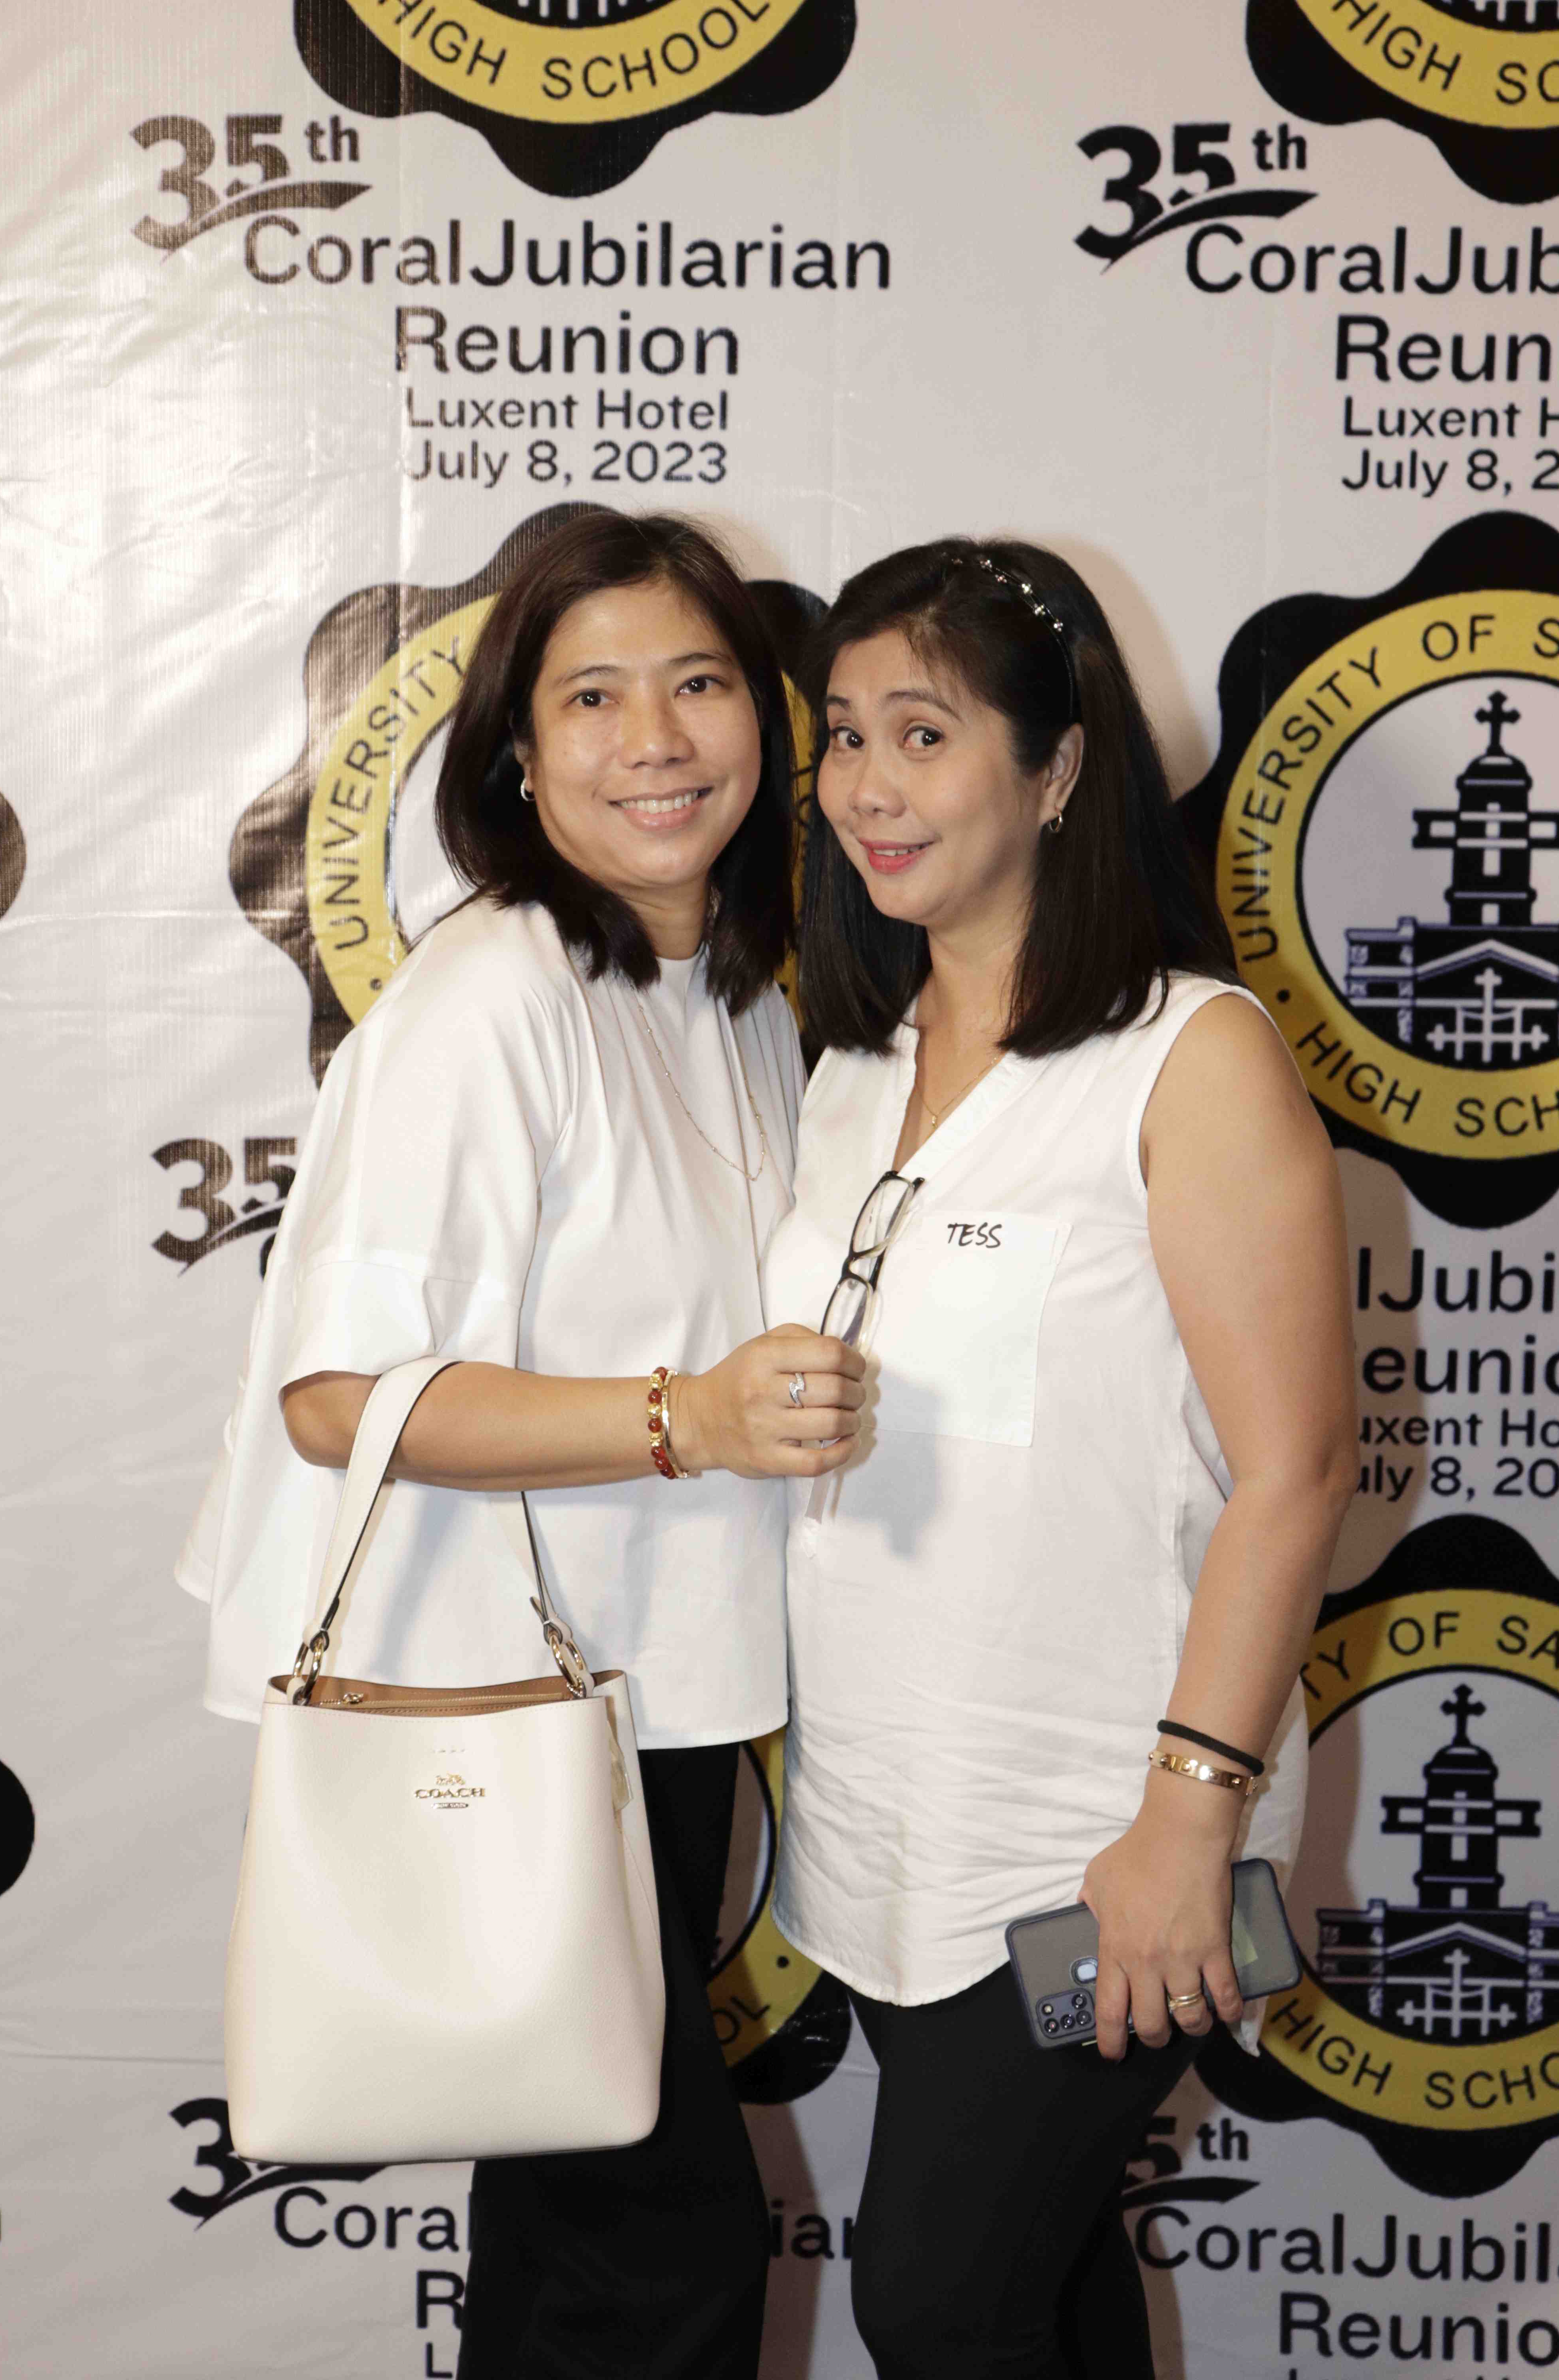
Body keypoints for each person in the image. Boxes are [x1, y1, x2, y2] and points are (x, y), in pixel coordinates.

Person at [177, 511, 866, 2379]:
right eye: (592, 698)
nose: (657, 740)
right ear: (513, 754)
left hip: (646, 1693)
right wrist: (686, 1416)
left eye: (698, 684)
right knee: (651, 2245)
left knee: (593, 2228)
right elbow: (341, 1397)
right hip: (504, 1709)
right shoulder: (490, 999)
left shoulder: (730, 990)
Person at [762, 538, 1359, 2380]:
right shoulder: (847, 1066)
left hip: (1096, 1841)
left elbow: (1296, 1471)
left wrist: (1186, 1821)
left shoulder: (1191, 1056)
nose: (868, 784)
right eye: (843, 735)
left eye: (924, 733)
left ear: (1057, 769)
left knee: (939, 2303)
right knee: (1036, 2292)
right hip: (886, 1829)